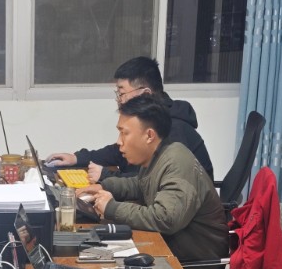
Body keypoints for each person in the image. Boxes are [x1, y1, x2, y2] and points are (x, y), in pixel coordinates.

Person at [74, 96, 228, 269]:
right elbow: (141, 184)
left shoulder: (177, 162)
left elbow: (165, 218)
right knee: (100, 268)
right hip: (170, 250)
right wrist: (104, 186)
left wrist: (112, 207)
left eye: (124, 133)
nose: (119, 142)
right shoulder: (159, 155)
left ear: (149, 135)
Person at [47, 55, 214, 178]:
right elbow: (118, 152)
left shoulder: (172, 130)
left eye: (122, 93)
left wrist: (105, 176)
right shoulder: (151, 119)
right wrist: (77, 158)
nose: (119, 100)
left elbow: (150, 181)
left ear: (146, 94)